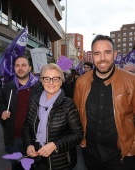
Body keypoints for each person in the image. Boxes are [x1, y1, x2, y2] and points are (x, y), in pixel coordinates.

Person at [74, 35, 135, 170]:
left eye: (107, 52)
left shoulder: (131, 81)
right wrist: (82, 140)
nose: (102, 58)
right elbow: (77, 114)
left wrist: (132, 147)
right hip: (90, 154)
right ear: (92, 56)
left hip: (122, 156)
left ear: (114, 55)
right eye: (97, 53)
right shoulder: (81, 82)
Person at [22, 63, 83, 170]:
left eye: (55, 79)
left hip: (60, 162)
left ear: (61, 81)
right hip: (38, 160)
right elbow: (26, 127)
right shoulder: (34, 101)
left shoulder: (68, 104)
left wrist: (55, 145)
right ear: (41, 80)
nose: (51, 83)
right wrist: (29, 144)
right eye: (47, 79)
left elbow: (78, 134)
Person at [0, 56, 42, 170]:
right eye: (17, 65)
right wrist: (3, 112)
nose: (20, 68)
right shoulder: (9, 86)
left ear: (29, 68)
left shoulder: (39, 86)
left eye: (23, 65)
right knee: (17, 167)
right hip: (14, 138)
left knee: (33, 167)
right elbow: (2, 103)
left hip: (33, 138)